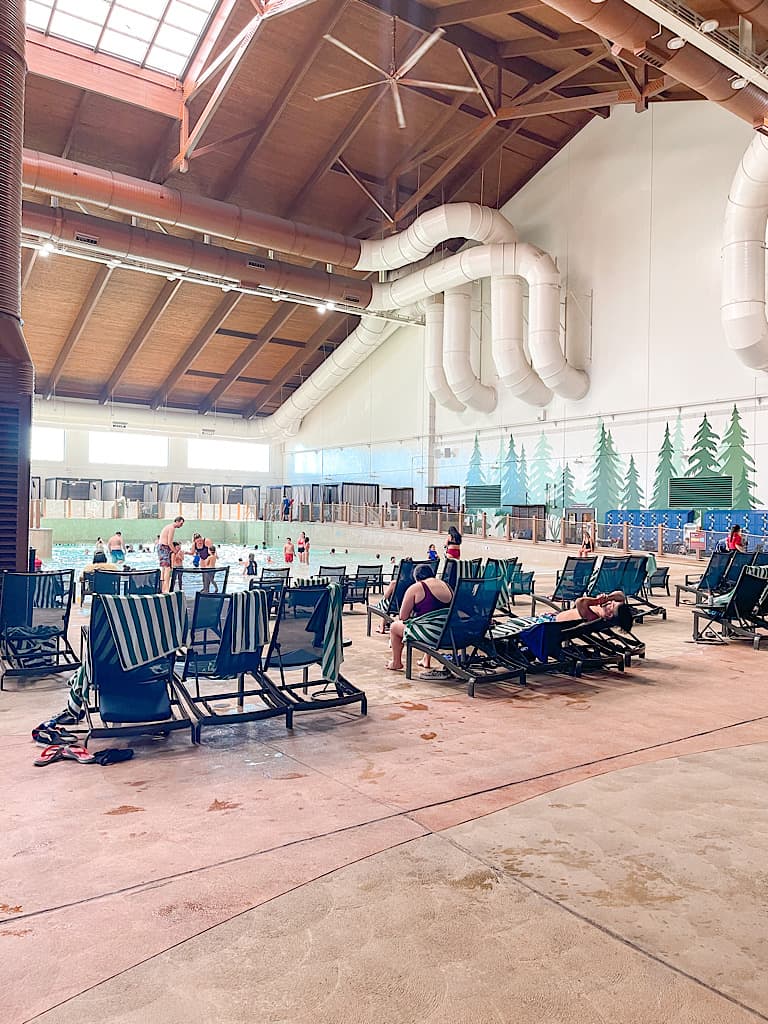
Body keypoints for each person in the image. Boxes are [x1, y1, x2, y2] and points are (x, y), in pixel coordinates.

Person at [387, 564, 453, 673]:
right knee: (432, 620)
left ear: (417, 578)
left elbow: (403, 617)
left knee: (394, 627)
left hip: (431, 634)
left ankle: (396, 662)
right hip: (447, 633)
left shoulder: (417, 587)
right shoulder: (446, 585)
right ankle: (425, 660)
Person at [554, 591, 634, 631]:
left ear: (609, 614)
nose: (611, 602)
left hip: (553, 623)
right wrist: (608, 597)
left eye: (611, 605)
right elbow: (621, 595)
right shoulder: (604, 617)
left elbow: (580, 602)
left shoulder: (593, 617)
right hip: (556, 617)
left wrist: (597, 601)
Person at [158, 516, 184, 592]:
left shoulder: (168, 527)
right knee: (167, 568)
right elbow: (169, 542)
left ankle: (163, 587)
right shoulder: (172, 528)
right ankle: (165, 589)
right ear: (177, 521)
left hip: (161, 547)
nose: (181, 525)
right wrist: (175, 552)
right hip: (164, 547)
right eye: (181, 523)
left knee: (164, 568)